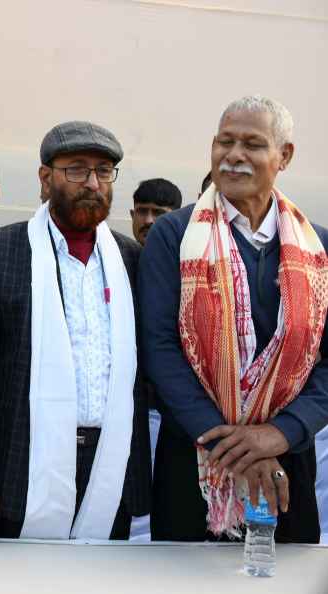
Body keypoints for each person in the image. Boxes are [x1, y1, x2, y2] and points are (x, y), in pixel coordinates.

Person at [140, 96, 328, 543]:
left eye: (252, 144)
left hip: (286, 461)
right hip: (192, 454)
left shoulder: (317, 250)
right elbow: (160, 348)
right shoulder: (174, 237)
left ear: (284, 156)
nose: (235, 155)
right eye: (225, 142)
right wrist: (236, 447)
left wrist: (280, 434)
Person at [0, 121, 151, 543]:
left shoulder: (131, 258)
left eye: (103, 171)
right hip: (21, 465)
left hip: (109, 462)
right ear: (46, 178)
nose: (92, 183)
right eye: (77, 169)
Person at [129, 178, 181, 245]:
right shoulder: (116, 253)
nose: (148, 221)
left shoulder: (189, 254)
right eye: (142, 212)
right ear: (133, 216)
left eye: (158, 213)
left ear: (176, 220)